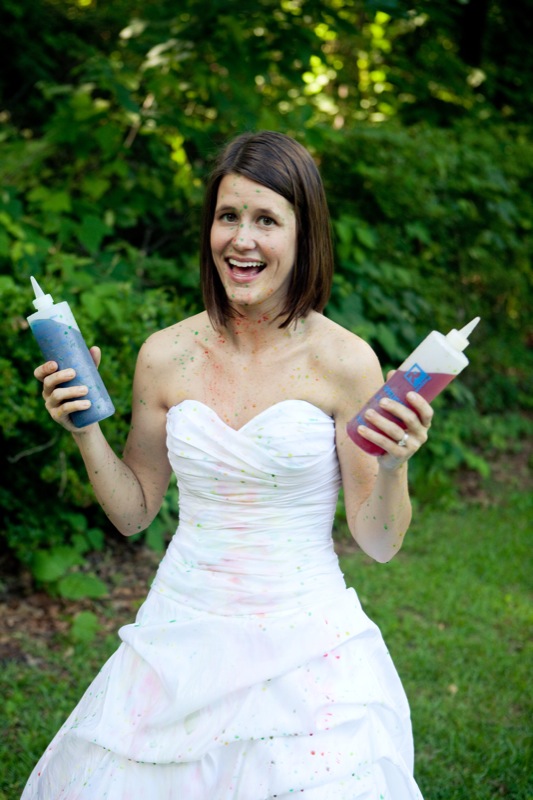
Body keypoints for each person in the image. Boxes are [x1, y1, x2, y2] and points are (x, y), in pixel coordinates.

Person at [22, 130, 432, 799]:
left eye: (266, 220)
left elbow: (379, 542)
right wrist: (84, 432)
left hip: (306, 641)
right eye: (228, 216)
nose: (242, 239)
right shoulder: (164, 354)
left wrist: (393, 466)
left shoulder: (346, 361)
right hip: (180, 629)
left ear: (304, 235)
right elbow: (133, 512)